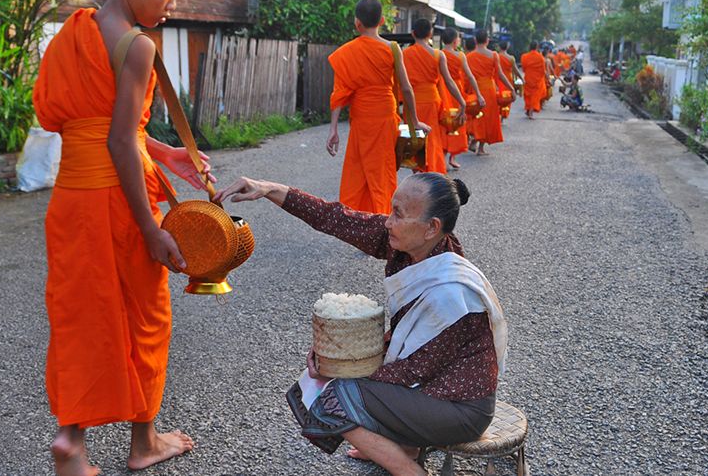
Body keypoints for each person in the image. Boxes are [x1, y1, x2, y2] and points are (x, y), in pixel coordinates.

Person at [32, 0, 213, 473]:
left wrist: (164, 151)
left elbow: (102, 127)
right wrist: (149, 228)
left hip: (71, 198)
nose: (171, 5)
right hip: (117, 198)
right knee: (147, 314)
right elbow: (116, 142)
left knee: (78, 313)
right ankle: (145, 442)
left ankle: (71, 440)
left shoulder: (75, 30)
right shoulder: (136, 46)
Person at [213, 174, 507, 476]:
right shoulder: (411, 244)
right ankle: (402, 446)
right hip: (428, 385)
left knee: (334, 395)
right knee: (320, 381)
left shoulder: (450, 292)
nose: (388, 222)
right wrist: (270, 189)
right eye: (391, 210)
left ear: (432, 227)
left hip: (457, 408)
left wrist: (336, 366)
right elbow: (336, 218)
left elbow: (410, 372)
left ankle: (409, 470)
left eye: (398, 214)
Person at [327, 0, 426, 214]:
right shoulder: (392, 48)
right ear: (382, 20)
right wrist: (415, 121)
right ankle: (382, 221)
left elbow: (340, 93)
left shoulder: (347, 52)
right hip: (384, 117)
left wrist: (333, 129)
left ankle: (359, 220)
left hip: (361, 119)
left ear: (357, 23)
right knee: (382, 172)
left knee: (358, 172)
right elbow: (407, 89)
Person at [403, 19, 464, 174]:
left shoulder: (405, 54)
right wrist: (461, 102)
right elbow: (449, 81)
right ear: (430, 34)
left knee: (414, 138)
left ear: (413, 34)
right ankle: (432, 170)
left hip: (412, 101)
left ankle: (417, 171)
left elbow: (399, 82)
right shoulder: (438, 55)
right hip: (431, 101)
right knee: (432, 138)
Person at [465, 30, 515, 156]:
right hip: (488, 89)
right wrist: (511, 88)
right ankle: (480, 147)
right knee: (487, 118)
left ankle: (475, 138)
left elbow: (466, 76)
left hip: (475, 88)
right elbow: (500, 74)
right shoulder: (493, 55)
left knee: (476, 115)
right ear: (487, 40)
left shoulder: (469, 56)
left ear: (475, 40)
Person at [438, 29, 480, 170]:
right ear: (455, 40)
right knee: (456, 120)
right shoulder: (460, 56)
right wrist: (478, 94)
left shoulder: (438, 54)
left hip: (442, 89)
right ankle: (452, 157)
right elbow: (470, 76)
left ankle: (445, 156)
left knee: (445, 120)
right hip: (455, 90)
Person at [519, 42, 547, 118]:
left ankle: (528, 110)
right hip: (537, 79)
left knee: (528, 95)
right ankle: (530, 112)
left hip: (528, 78)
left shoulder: (524, 56)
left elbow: (523, 69)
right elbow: (543, 70)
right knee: (535, 96)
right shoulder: (540, 57)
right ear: (537, 47)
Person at [495, 41, 521, 122]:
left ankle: (498, 115)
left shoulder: (496, 56)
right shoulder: (511, 58)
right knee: (506, 97)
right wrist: (521, 78)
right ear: (507, 48)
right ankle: (503, 116)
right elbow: (516, 70)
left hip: (497, 79)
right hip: (508, 81)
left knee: (498, 97)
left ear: (499, 47)